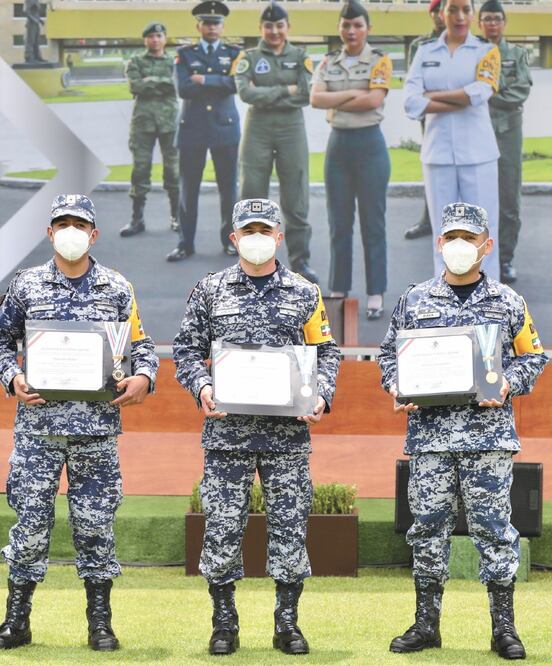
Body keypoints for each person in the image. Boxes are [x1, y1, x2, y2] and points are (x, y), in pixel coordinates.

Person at [172, 198, 342, 656]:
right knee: (223, 528)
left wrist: (321, 394)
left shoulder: (304, 292)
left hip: (287, 438)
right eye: (248, 230)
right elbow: (186, 351)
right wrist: (203, 387)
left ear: (279, 237)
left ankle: (287, 624)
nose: (257, 237)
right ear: (234, 238)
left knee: (289, 528)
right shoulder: (210, 290)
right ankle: (224, 622)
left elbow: (326, 351)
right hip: (228, 436)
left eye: (265, 229)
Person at [378, 202, 547, 660]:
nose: (458, 246)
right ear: (439, 244)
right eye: (451, 237)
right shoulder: (414, 300)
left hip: (487, 438)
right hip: (430, 439)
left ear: (485, 246)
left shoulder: (508, 302)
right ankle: (426, 625)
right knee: (427, 530)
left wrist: (510, 382)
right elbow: (388, 357)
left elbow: (533, 357)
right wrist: (398, 386)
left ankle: (503, 630)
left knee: (494, 530)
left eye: (467, 239)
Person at [0, 194, 158, 651]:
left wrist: (145, 375)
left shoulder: (116, 287)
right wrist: (12, 377)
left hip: (96, 431)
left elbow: (141, 344)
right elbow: (1, 342)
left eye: (79, 224)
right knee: (29, 524)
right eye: (62, 223)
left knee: (95, 526)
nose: (70, 231)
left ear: (94, 233)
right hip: (38, 431)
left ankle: (100, 623)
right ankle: (17, 620)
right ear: (50, 233)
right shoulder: (26, 285)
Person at [405, 0, 501, 282]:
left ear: (473, 14)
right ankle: (443, 294)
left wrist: (431, 97)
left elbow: (480, 93)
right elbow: (411, 103)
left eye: (465, 10)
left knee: (482, 230)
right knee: (443, 231)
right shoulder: (425, 52)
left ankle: (488, 295)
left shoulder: (487, 51)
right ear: (441, 14)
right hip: (438, 155)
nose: (459, 16)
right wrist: (460, 98)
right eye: (452, 10)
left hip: (478, 154)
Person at [310, 0, 392, 320]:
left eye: (358, 25)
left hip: (370, 144)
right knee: (339, 223)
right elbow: (316, 98)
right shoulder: (328, 61)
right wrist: (352, 94)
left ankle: (375, 292)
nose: (352, 30)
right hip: (339, 145)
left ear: (367, 28)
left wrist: (338, 97)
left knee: (373, 222)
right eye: (346, 25)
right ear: (340, 29)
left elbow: (374, 99)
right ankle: (340, 288)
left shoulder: (380, 60)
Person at [235, 2, 318, 284]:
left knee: (296, 196)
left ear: (287, 27)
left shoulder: (300, 55)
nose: (274, 31)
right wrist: (286, 89)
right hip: (257, 127)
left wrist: (266, 91)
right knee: (252, 195)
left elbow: (306, 93)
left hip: (291, 128)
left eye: (279, 25)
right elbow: (246, 92)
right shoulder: (248, 56)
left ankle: (300, 260)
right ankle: (250, 259)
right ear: (261, 28)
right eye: (269, 26)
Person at [167, 0, 241, 262]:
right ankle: (185, 244)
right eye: (207, 23)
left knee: (228, 190)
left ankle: (230, 242)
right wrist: (218, 83)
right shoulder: (185, 53)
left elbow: (236, 84)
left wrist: (204, 79)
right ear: (198, 25)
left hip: (225, 127)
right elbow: (183, 89)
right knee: (188, 190)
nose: (212, 27)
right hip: (193, 129)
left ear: (222, 26)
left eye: (216, 23)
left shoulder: (234, 53)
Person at [479, 0, 532, 285]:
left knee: (509, 198)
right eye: (486, 19)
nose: (492, 24)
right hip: (476, 133)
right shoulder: (471, 53)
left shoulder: (517, 54)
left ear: (504, 22)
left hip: (508, 133)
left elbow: (520, 91)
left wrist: (484, 94)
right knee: (475, 200)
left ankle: (506, 257)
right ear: (479, 23)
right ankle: (477, 258)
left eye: (497, 19)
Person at [120, 22, 180, 238]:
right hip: (143, 124)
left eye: (158, 35)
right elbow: (135, 86)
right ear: (145, 39)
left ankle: (176, 217)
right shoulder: (135, 61)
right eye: (151, 36)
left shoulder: (175, 61)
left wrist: (151, 80)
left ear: (165, 38)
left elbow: (178, 85)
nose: (155, 40)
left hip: (170, 123)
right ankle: (137, 219)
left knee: (173, 171)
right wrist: (162, 83)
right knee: (140, 171)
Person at [404, 0, 445, 241]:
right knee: (431, 168)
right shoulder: (421, 44)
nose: (440, 16)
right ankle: (428, 220)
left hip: (457, 114)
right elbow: (415, 83)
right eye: (436, 11)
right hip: (429, 115)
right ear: (431, 15)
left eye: (443, 10)